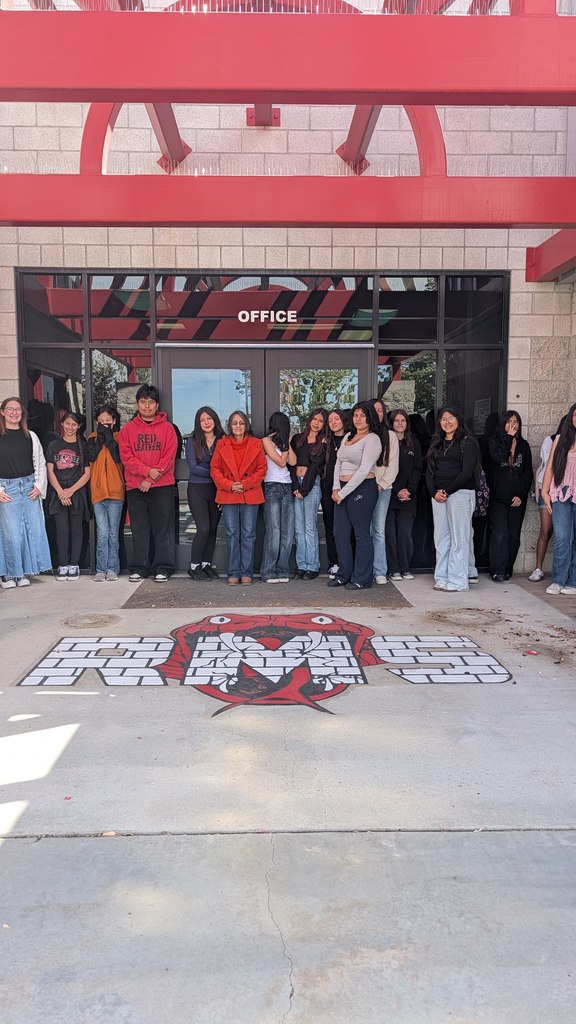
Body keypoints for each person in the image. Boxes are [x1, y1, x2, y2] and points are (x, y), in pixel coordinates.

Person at [118, 384, 178, 583]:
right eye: (143, 402)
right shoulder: (127, 429)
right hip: (136, 486)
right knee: (140, 528)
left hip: (162, 486)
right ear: (137, 404)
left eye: (150, 402)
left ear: (157, 405)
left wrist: (151, 479)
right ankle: (140, 567)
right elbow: (127, 457)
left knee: (163, 528)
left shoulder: (168, 429)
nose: (146, 406)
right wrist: (146, 474)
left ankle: (163, 567)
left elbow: (168, 458)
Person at [328, 401, 382, 590]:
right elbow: (337, 464)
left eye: (362, 415)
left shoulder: (372, 439)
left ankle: (361, 578)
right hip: (341, 489)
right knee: (340, 534)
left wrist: (343, 492)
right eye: (355, 415)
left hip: (363, 489)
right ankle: (344, 574)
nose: (358, 419)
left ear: (370, 418)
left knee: (361, 535)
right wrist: (336, 488)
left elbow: (364, 469)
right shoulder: (348, 437)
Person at [0, 396, 52, 589]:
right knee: (11, 533)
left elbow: (40, 463)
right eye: (10, 409)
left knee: (30, 531)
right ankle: (8, 574)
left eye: (18, 409)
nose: (14, 412)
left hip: (29, 487)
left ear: (22, 414)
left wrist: (39, 485)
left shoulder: (31, 435)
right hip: (7, 489)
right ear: (2, 412)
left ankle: (23, 572)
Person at [210, 410, 266, 585]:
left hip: (250, 492)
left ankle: (246, 572)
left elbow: (262, 469)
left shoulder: (256, 444)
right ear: (230, 426)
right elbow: (215, 469)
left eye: (241, 422)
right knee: (232, 533)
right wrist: (229, 485)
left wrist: (245, 484)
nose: (238, 426)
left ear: (246, 425)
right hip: (229, 494)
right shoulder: (222, 444)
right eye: (234, 423)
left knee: (248, 534)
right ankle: (233, 572)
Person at [426, 406, 478, 592]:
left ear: (458, 419)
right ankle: (442, 577)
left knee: (459, 538)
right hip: (439, 496)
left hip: (460, 494)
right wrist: (434, 493)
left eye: (451, 417)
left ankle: (458, 581)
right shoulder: (437, 443)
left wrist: (446, 491)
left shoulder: (467, 442)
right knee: (441, 539)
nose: (447, 422)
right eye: (443, 419)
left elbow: (466, 472)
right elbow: (429, 472)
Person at [487, 410, 533, 582]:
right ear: (503, 424)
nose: (512, 425)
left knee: (513, 536)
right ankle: (497, 570)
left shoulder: (524, 446)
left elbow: (527, 472)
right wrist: (508, 438)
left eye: (516, 422)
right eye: (508, 422)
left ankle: (507, 569)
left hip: (517, 498)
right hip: (498, 498)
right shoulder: (494, 442)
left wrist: (521, 494)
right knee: (499, 534)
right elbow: (498, 458)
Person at [46, 412, 91, 581]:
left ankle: (74, 564)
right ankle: (63, 564)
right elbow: (50, 470)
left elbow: (88, 473)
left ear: (78, 427)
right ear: (62, 424)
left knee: (76, 529)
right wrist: (60, 492)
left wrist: (71, 491)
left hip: (76, 491)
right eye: (67, 424)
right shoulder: (53, 445)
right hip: (58, 491)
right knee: (62, 529)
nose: (70, 427)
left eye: (74, 424)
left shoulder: (83, 446)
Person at [185, 406, 224, 581]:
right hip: (197, 489)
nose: (206, 422)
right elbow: (193, 468)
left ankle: (206, 564)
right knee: (203, 528)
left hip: (217, 490)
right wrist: (216, 472)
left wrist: (219, 475)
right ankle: (194, 566)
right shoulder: (192, 441)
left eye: (208, 418)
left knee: (213, 529)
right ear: (198, 423)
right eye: (202, 420)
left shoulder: (223, 440)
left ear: (214, 420)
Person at [541, 401, 576, 596]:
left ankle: (573, 581)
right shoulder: (560, 440)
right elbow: (551, 468)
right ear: (571, 417)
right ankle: (558, 580)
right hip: (561, 494)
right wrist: (545, 492)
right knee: (562, 538)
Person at [87, 404, 125, 582]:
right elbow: (92, 456)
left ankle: (113, 568)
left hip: (116, 492)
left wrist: (109, 437)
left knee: (112, 533)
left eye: (107, 422)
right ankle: (100, 569)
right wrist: (101, 438)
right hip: (98, 492)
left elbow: (118, 457)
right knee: (102, 532)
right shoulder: (92, 439)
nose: (104, 425)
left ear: (114, 421)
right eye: (100, 422)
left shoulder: (119, 438)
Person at [290, 408, 327, 580]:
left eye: (320, 421)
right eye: (315, 419)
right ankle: (301, 565)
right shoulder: (298, 439)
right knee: (298, 528)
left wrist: (304, 489)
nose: (316, 423)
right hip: (297, 483)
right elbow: (291, 464)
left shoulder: (323, 442)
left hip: (311, 484)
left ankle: (312, 566)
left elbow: (315, 468)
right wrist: (295, 487)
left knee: (309, 527)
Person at [385, 408, 422, 581]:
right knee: (390, 535)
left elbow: (417, 469)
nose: (400, 424)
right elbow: (384, 470)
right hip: (390, 495)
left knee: (405, 535)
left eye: (403, 421)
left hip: (408, 496)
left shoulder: (413, 442)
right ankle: (393, 569)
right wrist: (396, 489)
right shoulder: (386, 442)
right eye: (396, 421)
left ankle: (405, 568)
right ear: (391, 423)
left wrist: (410, 490)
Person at [528, 415, 566, 582]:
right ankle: (538, 568)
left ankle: (564, 572)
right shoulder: (550, 441)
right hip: (548, 491)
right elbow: (547, 466)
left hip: (567, 493)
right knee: (545, 530)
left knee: (564, 534)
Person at [260, 411, 295, 584]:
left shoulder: (284, 441)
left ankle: (282, 569)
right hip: (272, 486)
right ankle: (268, 571)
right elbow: (281, 462)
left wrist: (287, 441)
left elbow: (293, 462)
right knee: (274, 531)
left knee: (287, 532)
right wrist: (285, 447)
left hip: (287, 486)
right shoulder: (266, 441)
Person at [370, 398, 399, 585]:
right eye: (373, 410)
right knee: (364, 531)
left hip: (383, 488)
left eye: (380, 410)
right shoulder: (360, 435)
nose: (377, 414)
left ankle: (380, 570)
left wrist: (381, 484)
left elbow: (393, 465)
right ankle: (364, 568)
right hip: (362, 488)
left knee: (378, 530)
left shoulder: (391, 436)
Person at [321, 408, 351, 580]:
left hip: (347, 488)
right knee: (330, 526)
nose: (333, 422)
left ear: (343, 420)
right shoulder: (326, 441)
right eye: (330, 420)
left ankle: (348, 561)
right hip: (328, 488)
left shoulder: (351, 439)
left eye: (336, 419)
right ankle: (335, 563)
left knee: (346, 528)